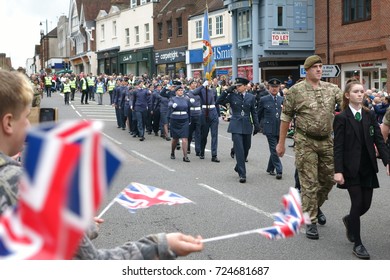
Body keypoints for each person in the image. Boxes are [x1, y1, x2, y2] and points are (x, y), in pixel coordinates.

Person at [0, 69, 204, 260]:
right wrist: (160, 245)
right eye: (26, 117)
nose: (30, 124)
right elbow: (91, 264)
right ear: (8, 123)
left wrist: (75, 228)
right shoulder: (17, 184)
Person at [276, 55, 343, 240]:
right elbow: (285, 117)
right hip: (305, 141)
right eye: (315, 67)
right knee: (309, 183)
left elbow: (347, 107)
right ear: (307, 70)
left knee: (329, 179)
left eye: (321, 67)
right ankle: (310, 220)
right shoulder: (295, 91)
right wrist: (281, 143)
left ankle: (315, 206)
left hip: (327, 141)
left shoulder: (332, 89)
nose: (319, 70)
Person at [333, 80, 389, 260]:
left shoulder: (370, 115)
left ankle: (350, 220)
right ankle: (358, 244)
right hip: (351, 168)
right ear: (347, 95)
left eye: (362, 91)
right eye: (356, 91)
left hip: (368, 166)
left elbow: (379, 140)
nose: (360, 94)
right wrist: (338, 170)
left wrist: (387, 161)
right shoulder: (341, 118)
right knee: (357, 204)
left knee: (366, 205)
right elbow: (338, 147)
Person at [216, 77, 260, 183]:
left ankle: (238, 166)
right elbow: (218, 101)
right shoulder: (232, 96)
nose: (237, 87)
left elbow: (253, 112)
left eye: (239, 86)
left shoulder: (251, 97)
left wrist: (256, 125)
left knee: (246, 148)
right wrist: (226, 91)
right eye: (236, 86)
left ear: (245, 86)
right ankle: (242, 174)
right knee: (239, 149)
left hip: (246, 125)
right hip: (235, 125)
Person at [258, 78, 283, 179]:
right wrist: (257, 125)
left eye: (276, 87)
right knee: (274, 149)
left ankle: (270, 168)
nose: (274, 89)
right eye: (272, 87)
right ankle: (279, 169)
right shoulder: (264, 99)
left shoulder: (282, 99)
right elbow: (258, 113)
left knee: (275, 148)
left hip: (280, 127)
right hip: (269, 128)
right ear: (269, 87)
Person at [193, 80, 220, 162]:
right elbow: (194, 92)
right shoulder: (201, 90)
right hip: (204, 113)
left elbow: (216, 102)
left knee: (214, 135)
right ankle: (202, 151)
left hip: (213, 112)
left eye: (210, 81)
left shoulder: (213, 90)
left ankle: (214, 155)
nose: (209, 83)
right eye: (207, 82)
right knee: (204, 135)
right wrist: (202, 86)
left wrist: (218, 114)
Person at [168, 83, 191, 162]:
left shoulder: (186, 99)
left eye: (182, 90)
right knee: (175, 139)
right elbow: (169, 104)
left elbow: (189, 109)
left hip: (184, 119)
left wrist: (189, 120)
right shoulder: (173, 99)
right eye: (179, 90)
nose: (181, 92)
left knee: (185, 138)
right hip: (175, 119)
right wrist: (172, 105)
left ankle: (185, 156)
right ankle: (172, 152)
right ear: (176, 92)